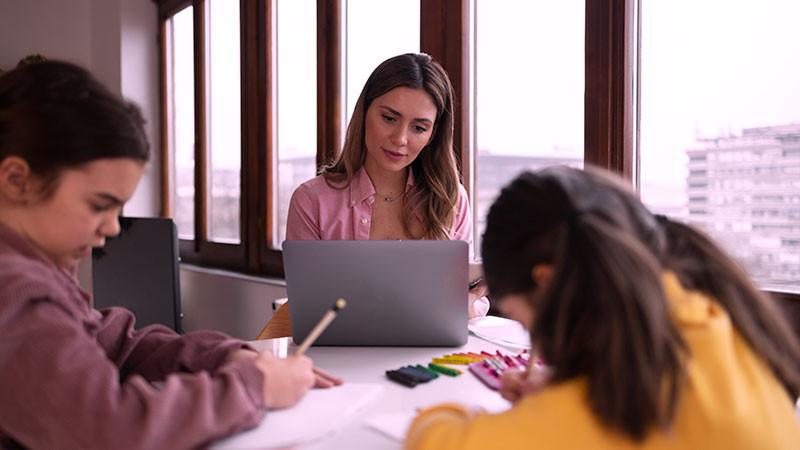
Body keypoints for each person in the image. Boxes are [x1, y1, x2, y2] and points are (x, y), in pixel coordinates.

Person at [0, 60, 340, 450]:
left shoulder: (40, 266)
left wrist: (224, 356)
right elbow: (105, 428)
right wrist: (254, 387)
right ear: (16, 180)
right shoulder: (16, 290)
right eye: (99, 205)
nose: (112, 228)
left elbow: (111, 342)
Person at [405, 166, 800, 449]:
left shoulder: (592, 410)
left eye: (520, 315)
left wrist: (557, 400)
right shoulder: (715, 314)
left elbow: (435, 439)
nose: (531, 334)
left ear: (544, 281)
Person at [285, 53, 488, 318]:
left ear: (432, 135)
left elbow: (463, 307)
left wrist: (469, 302)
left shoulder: (451, 200)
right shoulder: (311, 200)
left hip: (428, 356)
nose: (400, 139)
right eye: (389, 119)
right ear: (365, 112)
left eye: (418, 127)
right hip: (338, 358)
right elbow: (307, 305)